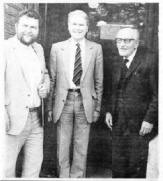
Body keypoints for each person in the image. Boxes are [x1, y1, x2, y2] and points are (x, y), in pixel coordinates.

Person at [47, 10, 103, 178]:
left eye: (81, 24)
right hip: (63, 102)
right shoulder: (57, 48)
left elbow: (99, 81)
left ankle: (77, 177)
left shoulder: (96, 48)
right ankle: (63, 177)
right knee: (62, 145)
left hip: (85, 101)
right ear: (68, 26)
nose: (77, 28)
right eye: (74, 24)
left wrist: (97, 108)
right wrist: (50, 107)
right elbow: (52, 80)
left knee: (81, 145)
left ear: (87, 27)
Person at [105, 27, 158, 178]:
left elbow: (158, 94)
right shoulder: (116, 59)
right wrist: (109, 110)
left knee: (135, 167)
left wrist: (149, 119)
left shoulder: (150, 60)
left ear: (136, 43)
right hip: (118, 122)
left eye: (127, 41)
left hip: (140, 125)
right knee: (118, 166)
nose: (122, 44)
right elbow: (112, 89)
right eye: (119, 40)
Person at [4, 9, 50, 177]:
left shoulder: (38, 49)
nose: (29, 30)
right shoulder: (5, 48)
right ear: (16, 26)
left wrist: (46, 85)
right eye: (25, 25)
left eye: (33, 27)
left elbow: (45, 74)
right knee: (6, 169)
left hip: (36, 120)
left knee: (33, 167)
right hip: (12, 119)